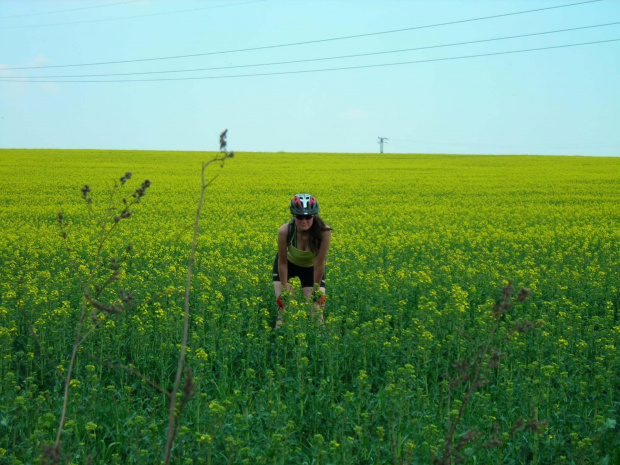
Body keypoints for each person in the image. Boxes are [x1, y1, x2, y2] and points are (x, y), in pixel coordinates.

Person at [272, 194, 332, 329]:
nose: (304, 220)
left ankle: (319, 345)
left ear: (314, 216)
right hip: (288, 266)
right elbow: (282, 262)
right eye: (299, 217)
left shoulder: (324, 232)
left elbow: (319, 264)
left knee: (316, 310)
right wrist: (284, 291)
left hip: (311, 268)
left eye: (308, 217)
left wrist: (317, 291)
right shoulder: (285, 231)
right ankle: (279, 345)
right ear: (294, 215)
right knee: (285, 308)